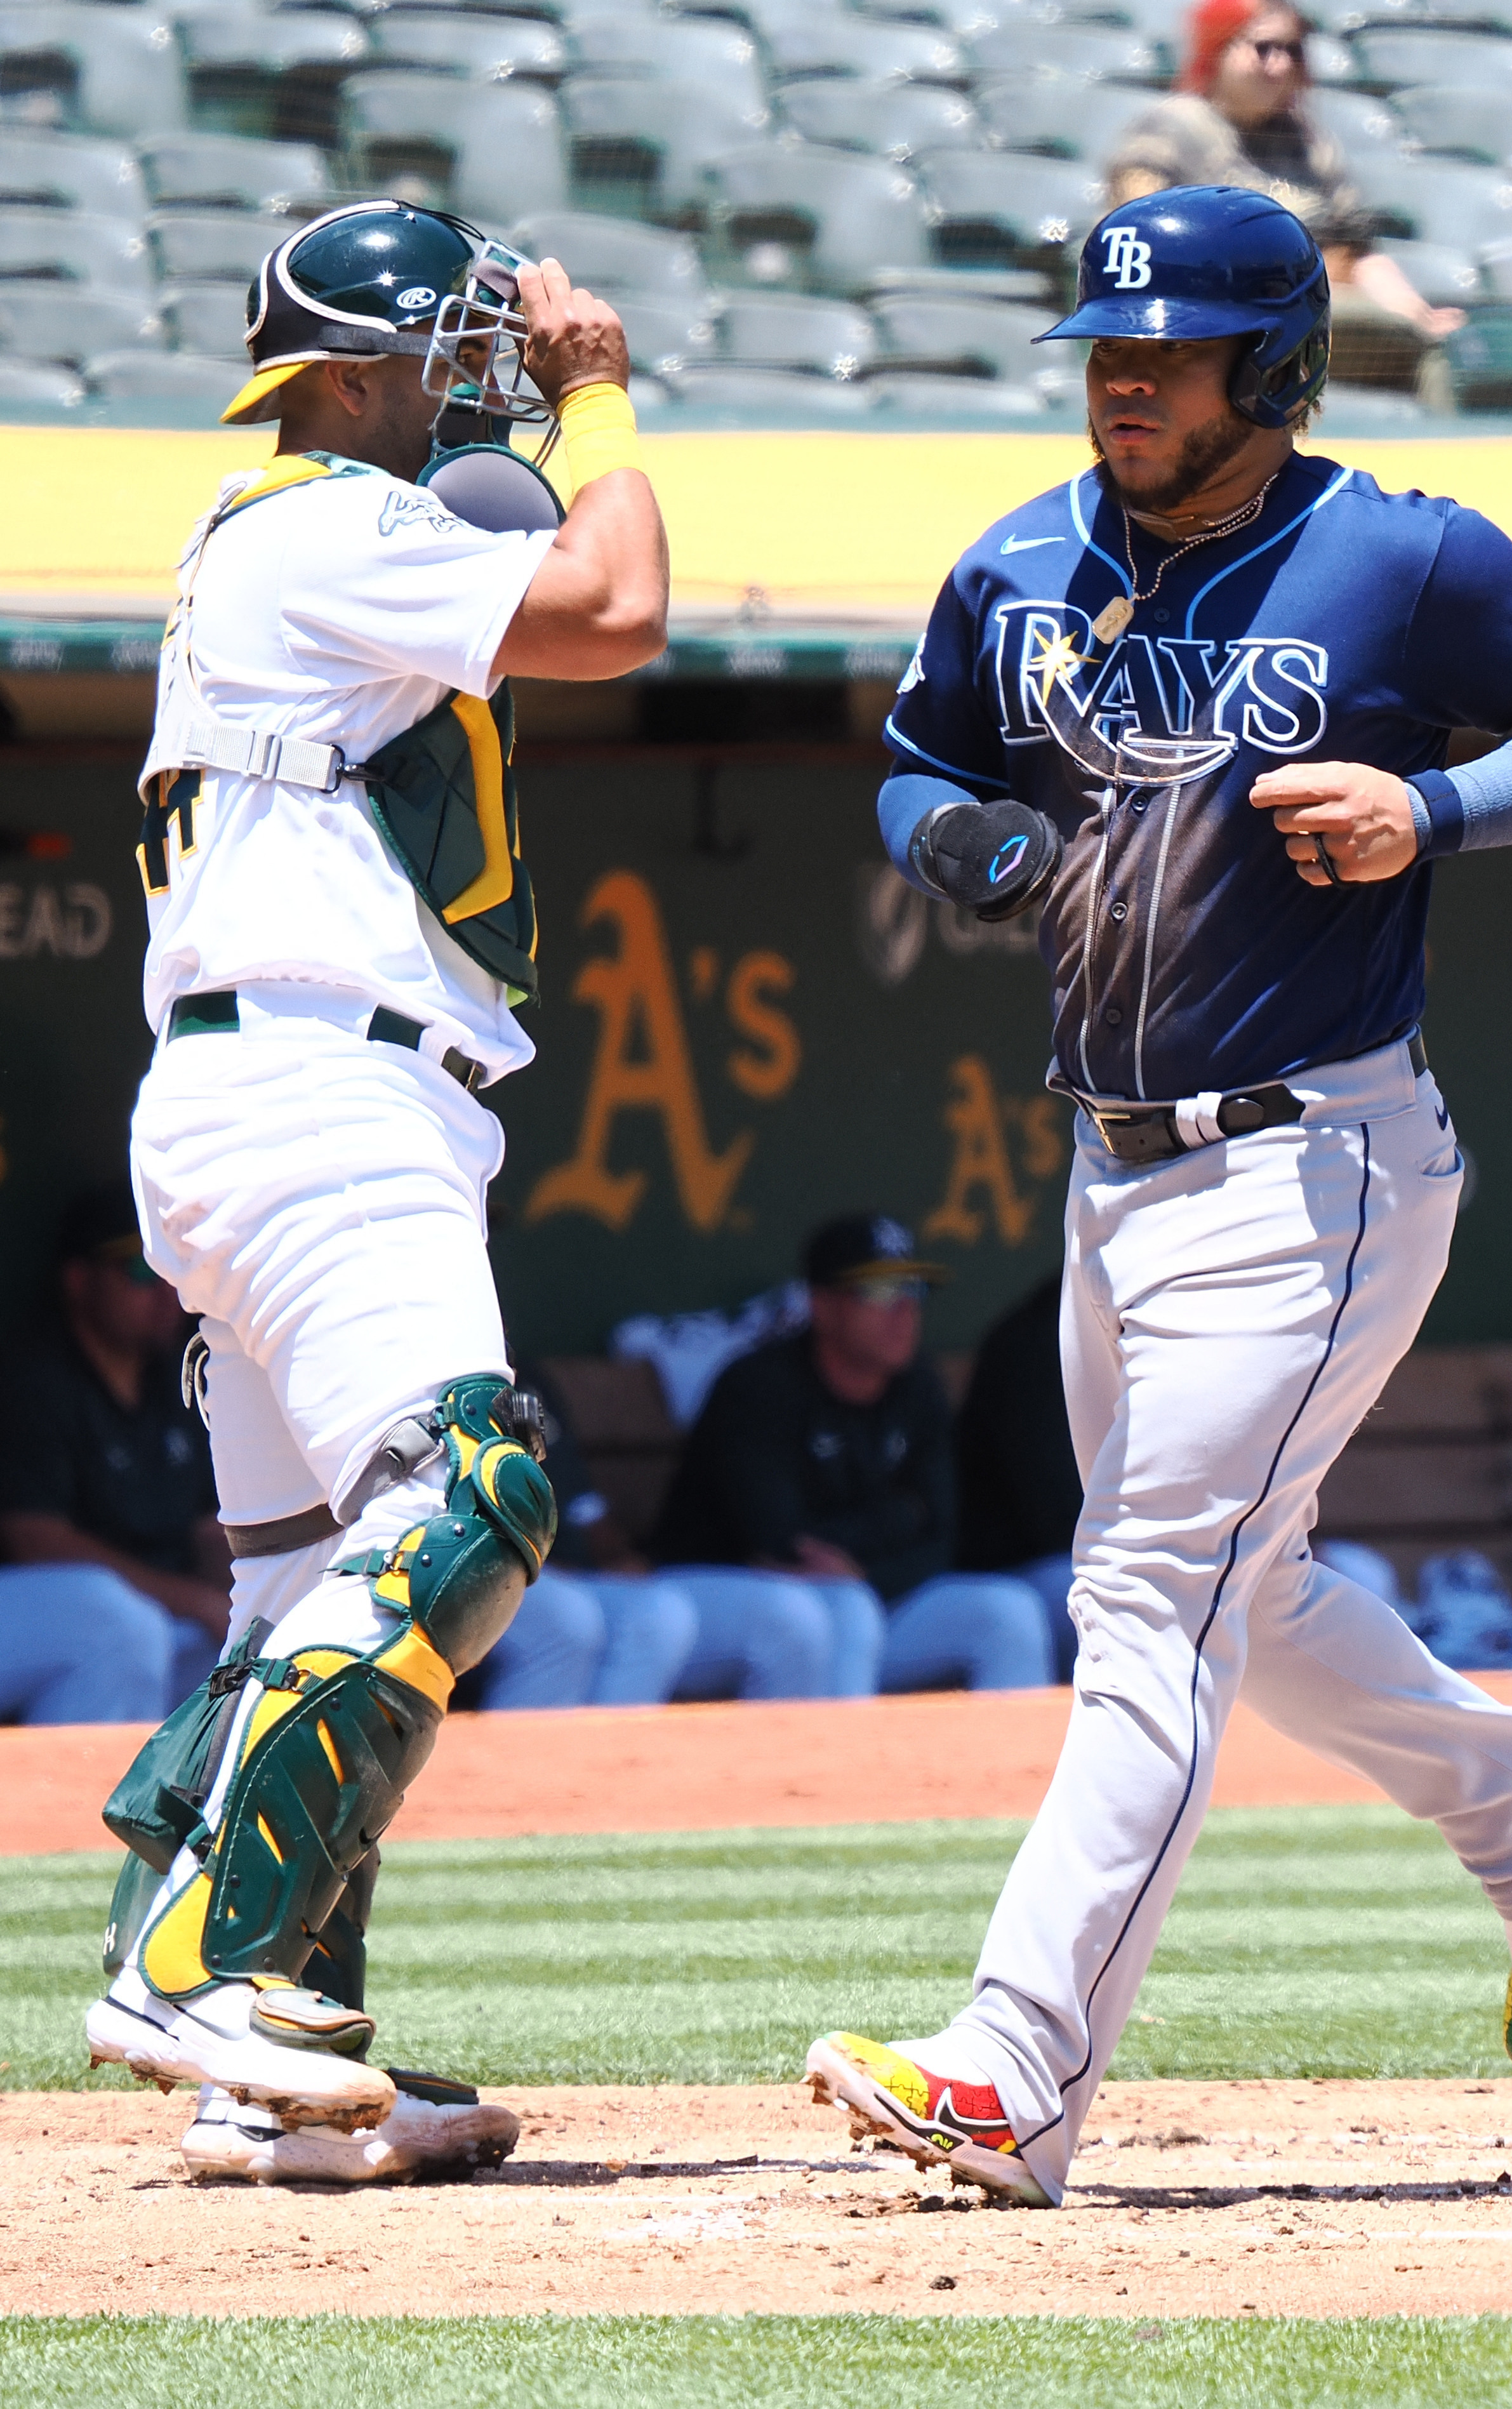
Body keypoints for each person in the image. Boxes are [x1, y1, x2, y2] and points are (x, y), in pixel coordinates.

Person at [803, 187, 1512, 2210]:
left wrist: (1437, 803)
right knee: (1236, 1593)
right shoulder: (1024, 557)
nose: (1124, 373)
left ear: (1272, 365)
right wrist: (966, 853)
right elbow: (917, 759)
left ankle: (1014, 2072)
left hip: (1320, 1155)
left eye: (1171, 346)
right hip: (1112, 1163)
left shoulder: (1398, 551)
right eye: (1107, 341)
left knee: (1145, 1596)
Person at [82, 199, 668, 2188]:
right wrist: (598, 401)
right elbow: (620, 607)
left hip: (276, 1091)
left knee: (290, 1584)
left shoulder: (311, 536)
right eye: (442, 351)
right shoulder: (321, 512)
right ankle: (198, 1961)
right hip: (323, 1094)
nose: (468, 380)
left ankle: (268, 2066)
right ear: (347, 363)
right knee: (471, 1494)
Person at [654, 1216, 1054, 1697]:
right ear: (822, 1306)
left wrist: (868, 1565)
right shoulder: (761, 1387)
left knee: (1008, 1613)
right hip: (722, 1598)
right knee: (844, 1609)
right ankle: (837, 1772)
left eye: (913, 1290)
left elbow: (944, 1535)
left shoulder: (917, 1386)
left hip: (862, 1592)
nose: (904, 1309)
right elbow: (784, 1545)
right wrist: (903, 1517)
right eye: (880, 1291)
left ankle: (1006, 1774)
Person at [1105, 0, 1462, 403]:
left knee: (1427, 342)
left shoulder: (1307, 141)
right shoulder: (1174, 127)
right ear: (1218, 49)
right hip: (1210, 316)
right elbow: (1136, 235)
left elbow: (1356, 251)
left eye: (1292, 51)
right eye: (1263, 48)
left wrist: (1414, 311)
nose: (1279, 65)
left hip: (1306, 312)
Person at [0, 1182, 227, 1723]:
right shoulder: (37, 1381)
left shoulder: (176, 1380)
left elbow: (208, 1528)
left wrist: (242, 1602)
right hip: (53, 1617)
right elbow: (36, 1540)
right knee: (117, 1624)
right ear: (80, 1280)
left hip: (159, 1625)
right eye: (142, 1273)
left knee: (253, 1654)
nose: (165, 1295)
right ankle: (73, 1805)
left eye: (172, 1274)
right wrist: (193, 1599)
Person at [456, 1360, 698, 1709]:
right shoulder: (414, 1379)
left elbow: (575, 1497)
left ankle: (607, 1762)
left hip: (545, 1574)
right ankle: (518, 1763)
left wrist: (613, 1556)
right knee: (566, 1621)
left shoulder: (522, 1383)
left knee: (659, 1615)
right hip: (451, 1567)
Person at [956, 1272, 1084, 1683]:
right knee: (1096, 1594)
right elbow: (1055, 1516)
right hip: (1010, 1566)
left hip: (1063, 1558)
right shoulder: (1037, 1342)